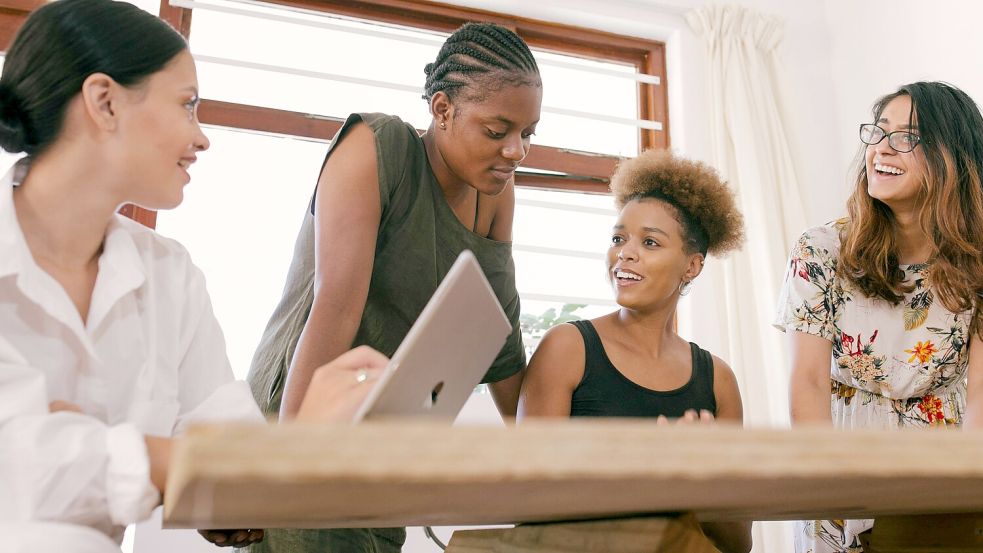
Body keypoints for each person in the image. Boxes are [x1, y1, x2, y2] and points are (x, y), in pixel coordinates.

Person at [0, 1, 388, 551]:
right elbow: (24, 463)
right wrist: (160, 461)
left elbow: (233, 473)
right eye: (187, 106)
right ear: (104, 102)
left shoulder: (170, 276)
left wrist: (300, 447)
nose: (202, 137)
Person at [244, 21, 542, 553]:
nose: (516, 151)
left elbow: (502, 335)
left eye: (528, 134)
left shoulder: (496, 192)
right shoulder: (375, 147)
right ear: (443, 109)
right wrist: (284, 466)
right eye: (498, 132)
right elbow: (335, 309)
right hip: (302, 414)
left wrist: (553, 462)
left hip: (385, 439)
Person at [777, 81, 983, 552]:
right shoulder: (821, 249)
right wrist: (831, 484)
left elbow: (981, 394)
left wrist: (963, 491)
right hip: (837, 465)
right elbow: (806, 383)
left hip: (941, 476)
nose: (882, 149)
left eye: (907, 137)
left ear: (953, 157)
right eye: (879, 132)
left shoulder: (978, 262)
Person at [517, 149, 751, 553]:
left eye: (650, 242)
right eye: (618, 238)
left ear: (691, 266)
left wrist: (706, 478)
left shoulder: (718, 380)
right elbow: (526, 498)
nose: (625, 252)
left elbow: (735, 543)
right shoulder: (568, 349)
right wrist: (655, 476)